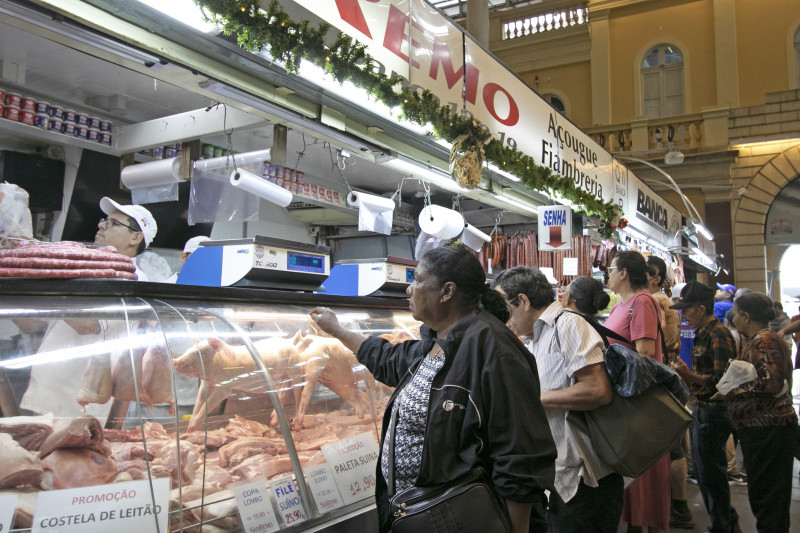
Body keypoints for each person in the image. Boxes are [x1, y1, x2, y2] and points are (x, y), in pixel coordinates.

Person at [308, 245, 556, 533]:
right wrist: (337, 330)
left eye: (417, 279)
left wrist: (516, 529)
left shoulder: (494, 348)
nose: (409, 289)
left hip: (467, 517)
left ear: (447, 291)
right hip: (425, 515)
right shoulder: (438, 341)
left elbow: (521, 451)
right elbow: (389, 359)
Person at [492, 270, 622, 532]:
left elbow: (598, 390)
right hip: (561, 478)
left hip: (586, 482)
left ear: (523, 301)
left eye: (505, 308)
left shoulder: (567, 324)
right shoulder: (536, 338)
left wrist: (533, 400)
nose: (505, 319)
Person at [719, 292, 798, 533]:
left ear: (745, 316)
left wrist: (733, 389)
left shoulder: (765, 339)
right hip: (762, 430)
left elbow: (771, 382)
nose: (733, 317)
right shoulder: (760, 339)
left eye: (736, 312)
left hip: (768, 430)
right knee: (766, 500)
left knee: (768, 501)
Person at [603, 250, 669, 533]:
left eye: (611, 268)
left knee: (643, 474)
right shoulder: (621, 304)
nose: (608, 274)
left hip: (639, 400)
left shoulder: (642, 302)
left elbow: (644, 354)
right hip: (624, 400)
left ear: (624, 273)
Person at [669, 281, 742, 533]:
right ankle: (727, 521)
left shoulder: (717, 334)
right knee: (704, 473)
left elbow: (722, 381)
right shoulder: (704, 333)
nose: (683, 315)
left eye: (686, 310)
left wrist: (688, 377)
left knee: (711, 475)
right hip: (704, 410)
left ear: (701, 308)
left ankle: (723, 525)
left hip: (713, 412)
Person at [95, 197, 158, 280]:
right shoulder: (91, 266)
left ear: (136, 238)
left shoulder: (133, 278)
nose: (101, 225)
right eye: (105, 220)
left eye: (114, 223)